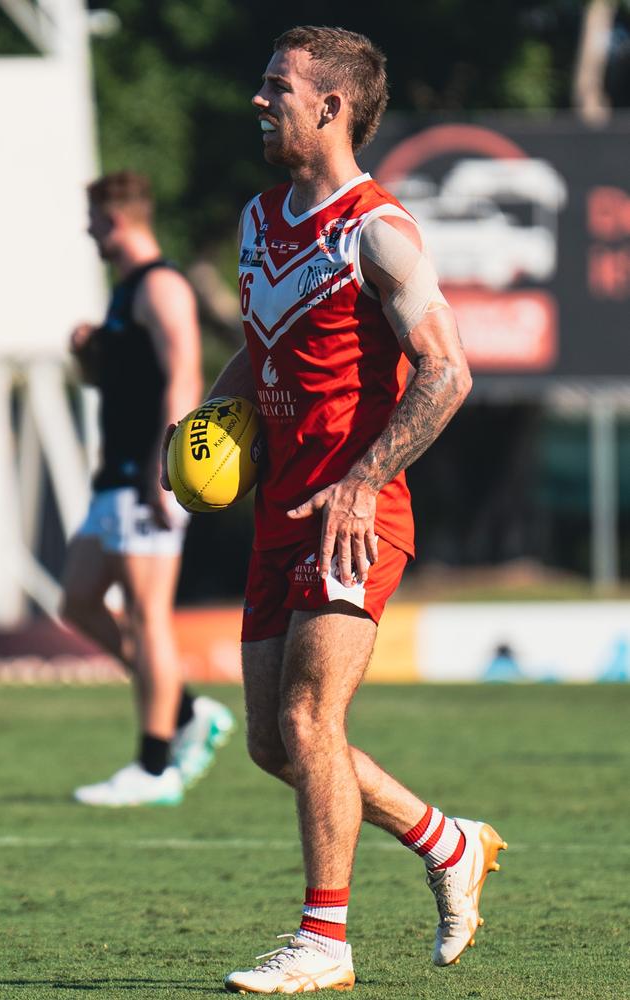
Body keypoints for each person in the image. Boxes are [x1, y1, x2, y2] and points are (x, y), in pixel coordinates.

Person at [163, 26, 506, 992]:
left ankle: (325, 942)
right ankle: (449, 842)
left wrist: (361, 481)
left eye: (278, 87)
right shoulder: (257, 219)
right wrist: (204, 423)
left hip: (359, 514)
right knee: (276, 740)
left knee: (313, 719)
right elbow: (258, 352)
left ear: (331, 107)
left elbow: (448, 372)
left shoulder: (379, 228)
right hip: (281, 512)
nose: (259, 101)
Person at [62, 170, 234, 808]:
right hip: (114, 481)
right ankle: (188, 710)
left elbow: (185, 371)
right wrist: (88, 352)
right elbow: (114, 382)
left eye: (93, 220)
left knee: (147, 615)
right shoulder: (123, 292)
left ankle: (155, 766)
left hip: (146, 477)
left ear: (116, 219)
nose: (88, 232)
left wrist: (170, 468)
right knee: (77, 601)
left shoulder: (161, 284)